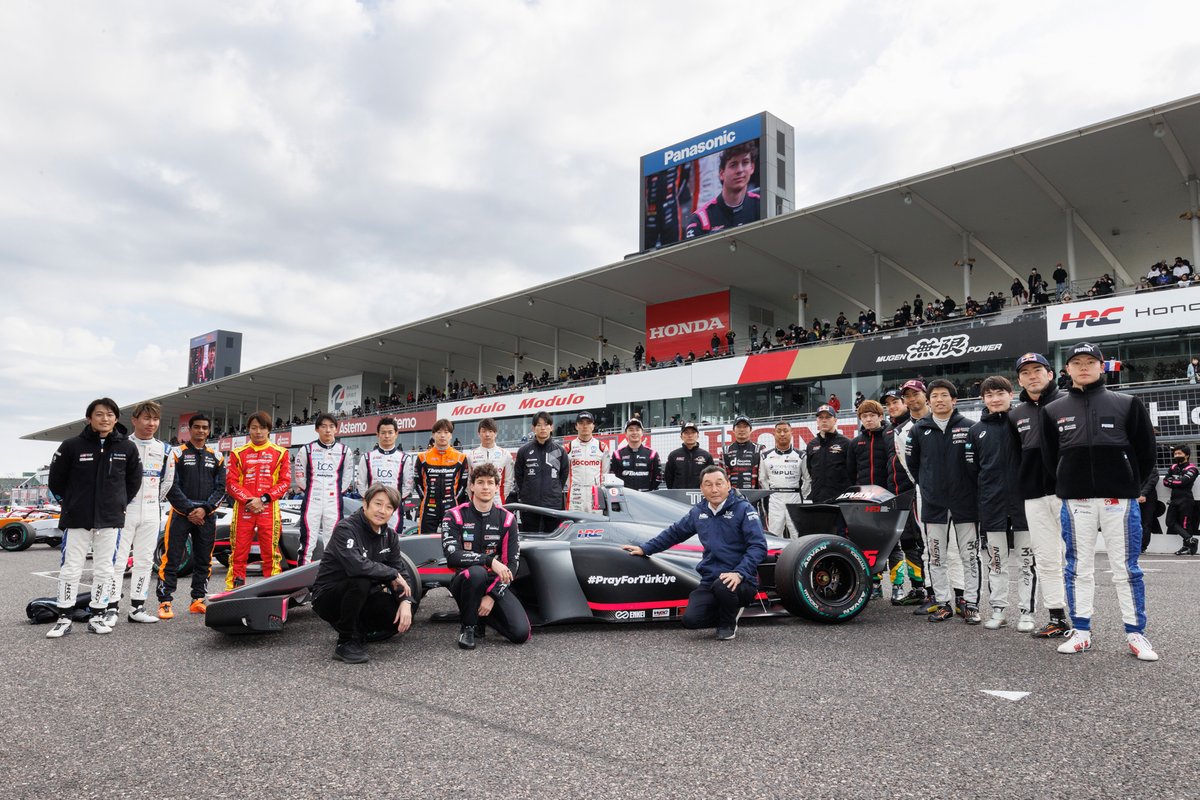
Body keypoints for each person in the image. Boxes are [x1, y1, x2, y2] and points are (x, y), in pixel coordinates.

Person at [1042, 342, 1158, 660]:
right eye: (1076, 362)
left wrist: (1127, 483)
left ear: (1102, 366)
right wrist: (1070, 481)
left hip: (1118, 501)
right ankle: (1081, 631)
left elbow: (1146, 453)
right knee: (1078, 568)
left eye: (1090, 361)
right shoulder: (1053, 410)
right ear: (1066, 369)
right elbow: (1051, 459)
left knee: (1127, 569)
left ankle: (1136, 634)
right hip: (1075, 501)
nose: (1083, 366)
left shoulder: (1127, 403)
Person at [622, 466, 767, 640]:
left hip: (741, 579)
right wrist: (645, 548)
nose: (714, 489)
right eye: (708, 484)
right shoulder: (699, 511)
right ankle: (726, 609)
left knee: (724, 586)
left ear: (728, 485)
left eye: (719, 484)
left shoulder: (744, 509)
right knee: (691, 620)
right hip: (711, 578)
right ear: (701, 488)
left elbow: (758, 546)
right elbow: (675, 533)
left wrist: (739, 573)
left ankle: (728, 622)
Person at [45, 398, 143, 638]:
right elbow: (56, 481)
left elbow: (133, 482)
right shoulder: (71, 446)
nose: (105, 419)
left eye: (110, 414)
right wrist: (70, 505)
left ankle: (98, 615)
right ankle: (64, 617)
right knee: (71, 568)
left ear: (116, 418)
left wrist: (117, 504)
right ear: (89, 418)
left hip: (110, 519)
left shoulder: (127, 448)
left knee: (105, 569)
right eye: (99, 414)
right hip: (77, 518)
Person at [311, 483, 418, 664]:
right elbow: (356, 566)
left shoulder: (390, 536)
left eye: (389, 507)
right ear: (365, 503)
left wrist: (406, 602)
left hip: (363, 594)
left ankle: (358, 630)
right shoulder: (346, 528)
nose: (382, 511)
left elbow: (399, 570)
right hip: (329, 597)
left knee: (397, 614)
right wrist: (390, 573)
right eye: (378, 504)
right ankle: (346, 642)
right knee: (361, 579)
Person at [905, 379, 983, 624]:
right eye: (934, 396)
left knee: (969, 555)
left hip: (965, 503)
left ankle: (970, 604)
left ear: (954, 400)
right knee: (936, 556)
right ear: (928, 401)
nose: (939, 399)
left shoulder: (970, 427)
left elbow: (975, 465)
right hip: (934, 504)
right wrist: (928, 486)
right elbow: (913, 465)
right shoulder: (918, 430)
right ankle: (942, 603)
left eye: (944, 395)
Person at [964, 376, 1037, 633]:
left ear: (1011, 394)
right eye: (989, 395)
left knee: (1027, 560)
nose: (995, 399)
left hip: (1024, 503)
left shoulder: (1023, 421)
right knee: (996, 561)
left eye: (1000, 393)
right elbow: (972, 471)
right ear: (983, 399)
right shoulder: (975, 431)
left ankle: (1027, 612)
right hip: (991, 504)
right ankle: (998, 610)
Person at [1009, 352, 1071, 639]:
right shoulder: (1015, 414)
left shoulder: (1068, 402)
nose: (1032, 376)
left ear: (1050, 373)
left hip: (1069, 494)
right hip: (1033, 495)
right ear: (1019, 380)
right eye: (1025, 372)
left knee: (1075, 557)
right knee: (1045, 557)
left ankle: (1082, 618)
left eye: (1037, 370)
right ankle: (1057, 617)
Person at [442, 464, 530, 650]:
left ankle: (483, 617)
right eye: (480, 482)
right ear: (471, 486)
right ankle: (469, 627)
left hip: (493, 582)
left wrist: (492, 595)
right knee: (476, 573)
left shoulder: (507, 519)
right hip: (465, 579)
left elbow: (512, 564)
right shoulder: (454, 515)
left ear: (496, 487)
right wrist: (489, 560)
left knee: (520, 634)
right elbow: (452, 556)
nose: (485, 487)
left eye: (490, 483)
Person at [103, 401, 174, 628]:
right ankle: (110, 607)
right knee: (117, 561)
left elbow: (168, 481)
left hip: (152, 510)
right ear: (134, 420)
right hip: (125, 510)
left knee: (144, 560)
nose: (151, 423)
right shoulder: (121, 445)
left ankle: (137, 607)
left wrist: (155, 502)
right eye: (146, 418)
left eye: (155, 419)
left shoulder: (165, 449)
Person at [157, 413, 225, 618]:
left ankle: (198, 599)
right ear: (190, 429)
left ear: (209, 430)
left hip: (206, 515)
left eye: (205, 427)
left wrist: (204, 509)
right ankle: (165, 601)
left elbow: (221, 488)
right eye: (197, 427)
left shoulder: (217, 456)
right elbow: (170, 485)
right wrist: (189, 510)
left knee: (204, 559)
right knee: (172, 558)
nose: (201, 431)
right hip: (180, 514)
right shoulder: (176, 453)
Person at [225, 412, 291, 590]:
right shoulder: (238, 453)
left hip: (268, 509)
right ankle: (235, 589)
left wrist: (262, 499)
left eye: (262, 428)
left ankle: (274, 590)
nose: (258, 432)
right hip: (244, 509)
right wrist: (250, 500)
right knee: (239, 552)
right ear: (248, 430)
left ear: (269, 429)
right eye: (254, 428)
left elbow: (284, 482)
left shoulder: (281, 453)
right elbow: (230, 483)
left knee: (270, 553)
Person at [851, 400, 904, 601]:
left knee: (894, 545)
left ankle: (898, 586)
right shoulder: (856, 443)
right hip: (865, 502)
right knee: (869, 544)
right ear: (861, 420)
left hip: (889, 500)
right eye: (864, 416)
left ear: (880, 416)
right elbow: (851, 473)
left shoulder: (890, 436)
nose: (869, 419)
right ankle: (874, 585)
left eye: (872, 415)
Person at [882, 388, 927, 605]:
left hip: (913, 490)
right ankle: (911, 587)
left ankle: (922, 587)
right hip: (893, 493)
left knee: (919, 540)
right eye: (888, 404)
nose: (892, 406)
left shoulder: (916, 425)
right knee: (903, 540)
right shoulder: (887, 430)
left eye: (895, 402)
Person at [292, 413, 353, 566]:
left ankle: (330, 579)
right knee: (307, 542)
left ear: (336, 429)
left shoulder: (345, 451)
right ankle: (302, 582)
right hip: (312, 500)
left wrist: (336, 493)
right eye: (324, 426)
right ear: (317, 429)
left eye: (331, 426)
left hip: (334, 502)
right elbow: (299, 476)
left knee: (333, 541)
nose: (328, 430)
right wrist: (312, 491)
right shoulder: (307, 450)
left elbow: (347, 478)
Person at [683, 142, 760, 239]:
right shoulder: (700, 220)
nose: (740, 170)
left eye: (745, 163)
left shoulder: (761, 205)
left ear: (752, 167)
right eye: (733, 165)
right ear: (721, 173)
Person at [509, 411, 568, 532]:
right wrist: (527, 491)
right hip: (529, 505)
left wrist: (553, 490)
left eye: (546, 424)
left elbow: (563, 476)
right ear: (533, 428)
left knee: (553, 542)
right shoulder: (524, 451)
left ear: (551, 427)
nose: (542, 428)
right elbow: (519, 476)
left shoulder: (560, 451)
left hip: (553, 506)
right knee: (530, 541)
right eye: (539, 425)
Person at [412, 418, 469, 535]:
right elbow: (417, 482)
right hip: (428, 506)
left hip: (451, 505)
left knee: (453, 541)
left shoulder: (460, 457)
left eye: (446, 432)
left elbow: (463, 484)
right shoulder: (422, 457)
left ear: (451, 435)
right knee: (423, 540)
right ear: (433, 435)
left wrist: (454, 499)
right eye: (438, 432)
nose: (442, 435)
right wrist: (425, 498)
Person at [355, 417, 408, 532]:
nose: (387, 436)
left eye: (390, 432)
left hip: (394, 509)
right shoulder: (367, 457)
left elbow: (408, 486)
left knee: (394, 541)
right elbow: (361, 484)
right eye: (383, 433)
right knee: (370, 541)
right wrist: (373, 501)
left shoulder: (404, 458)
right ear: (377, 434)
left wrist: (393, 501)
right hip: (372, 508)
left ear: (396, 434)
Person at [759, 421, 809, 538]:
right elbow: (763, 479)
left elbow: (807, 479)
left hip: (794, 498)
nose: (782, 434)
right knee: (774, 534)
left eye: (785, 431)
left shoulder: (801, 455)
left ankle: (797, 556)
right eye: (779, 431)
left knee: (798, 535)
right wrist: (771, 493)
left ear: (791, 433)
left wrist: (802, 495)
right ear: (774, 434)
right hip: (775, 500)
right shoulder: (765, 456)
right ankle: (776, 557)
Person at [565, 411, 611, 512]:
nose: (584, 426)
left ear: (593, 426)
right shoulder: (568, 448)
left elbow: (604, 473)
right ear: (576, 426)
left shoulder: (602, 447)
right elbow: (565, 474)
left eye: (588, 423)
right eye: (581, 423)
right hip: (575, 494)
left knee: (597, 524)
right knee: (575, 523)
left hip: (595, 494)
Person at [806, 404, 853, 503]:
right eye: (821, 417)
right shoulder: (811, 445)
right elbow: (811, 471)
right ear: (817, 421)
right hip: (818, 498)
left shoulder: (846, 443)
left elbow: (852, 471)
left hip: (840, 499)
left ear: (835, 420)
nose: (824, 420)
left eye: (828, 417)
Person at [467, 417, 515, 501]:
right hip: (477, 500)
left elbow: (509, 481)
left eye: (490, 431)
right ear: (479, 434)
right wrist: (472, 498)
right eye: (484, 431)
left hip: (498, 500)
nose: (487, 434)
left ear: (495, 433)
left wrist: (503, 498)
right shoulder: (471, 455)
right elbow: (469, 481)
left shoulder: (505, 454)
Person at [1163, 445, 1198, 555]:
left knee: (1185, 524)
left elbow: (1183, 482)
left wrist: (1172, 481)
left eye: (1179, 453)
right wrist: (1175, 482)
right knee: (1169, 522)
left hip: (1186, 500)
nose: (1176, 455)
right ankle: (1190, 539)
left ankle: (1186, 547)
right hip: (1174, 499)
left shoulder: (1192, 468)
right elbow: (1164, 482)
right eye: (1175, 454)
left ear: (1187, 455)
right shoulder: (1173, 467)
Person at [611, 418, 662, 491]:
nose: (634, 432)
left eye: (637, 430)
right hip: (624, 497)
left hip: (647, 497)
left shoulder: (652, 454)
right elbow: (613, 478)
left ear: (642, 433)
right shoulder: (617, 454)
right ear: (625, 433)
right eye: (631, 430)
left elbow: (658, 477)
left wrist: (649, 491)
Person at [664, 422, 714, 490]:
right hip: (677, 496)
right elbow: (668, 478)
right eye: (686, 433)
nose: (690, 435)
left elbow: (711, 477)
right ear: (681, 436)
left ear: (698, 436)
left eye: (693, 432)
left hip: (700, 495)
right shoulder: (673, 455)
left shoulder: (706, 456)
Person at [722, 415, 761, 491]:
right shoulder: (725, 450)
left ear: (750, 430)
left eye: (745, 426)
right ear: (733, 430)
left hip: (754, 497)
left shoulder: (759, 449)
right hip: (732, 497)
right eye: (739, 427)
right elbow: (722, 476)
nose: (742, 429)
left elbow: (763, 478)